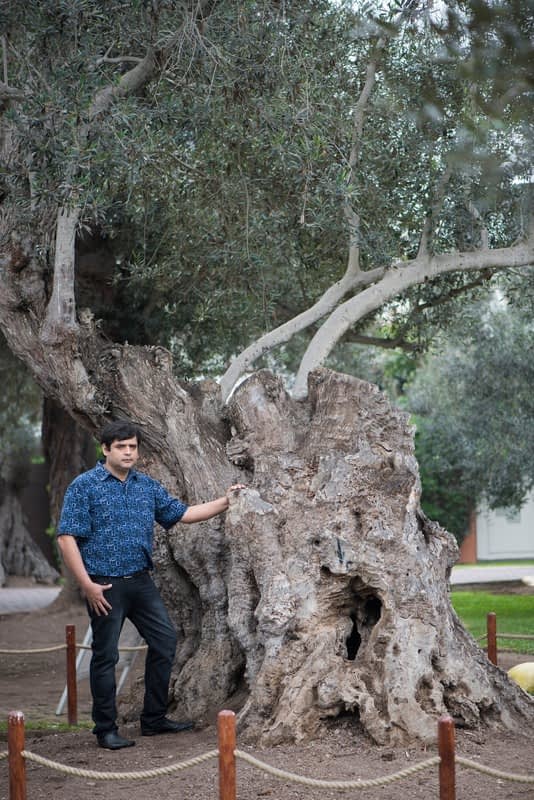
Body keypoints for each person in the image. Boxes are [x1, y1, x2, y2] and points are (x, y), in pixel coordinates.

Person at [57, 419, 244, 751]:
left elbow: (184, 514)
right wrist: (86, 584)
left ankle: (154, 719)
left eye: (133, 447)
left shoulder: (146, 486)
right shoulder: (84, 486)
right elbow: (66, 537)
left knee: (165, 641)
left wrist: (226, 501)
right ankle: (105, 729)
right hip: (103, 585)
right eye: (121, 447)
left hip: (141, 582)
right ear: (105, 449)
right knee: (106, 656)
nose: (128, 452)